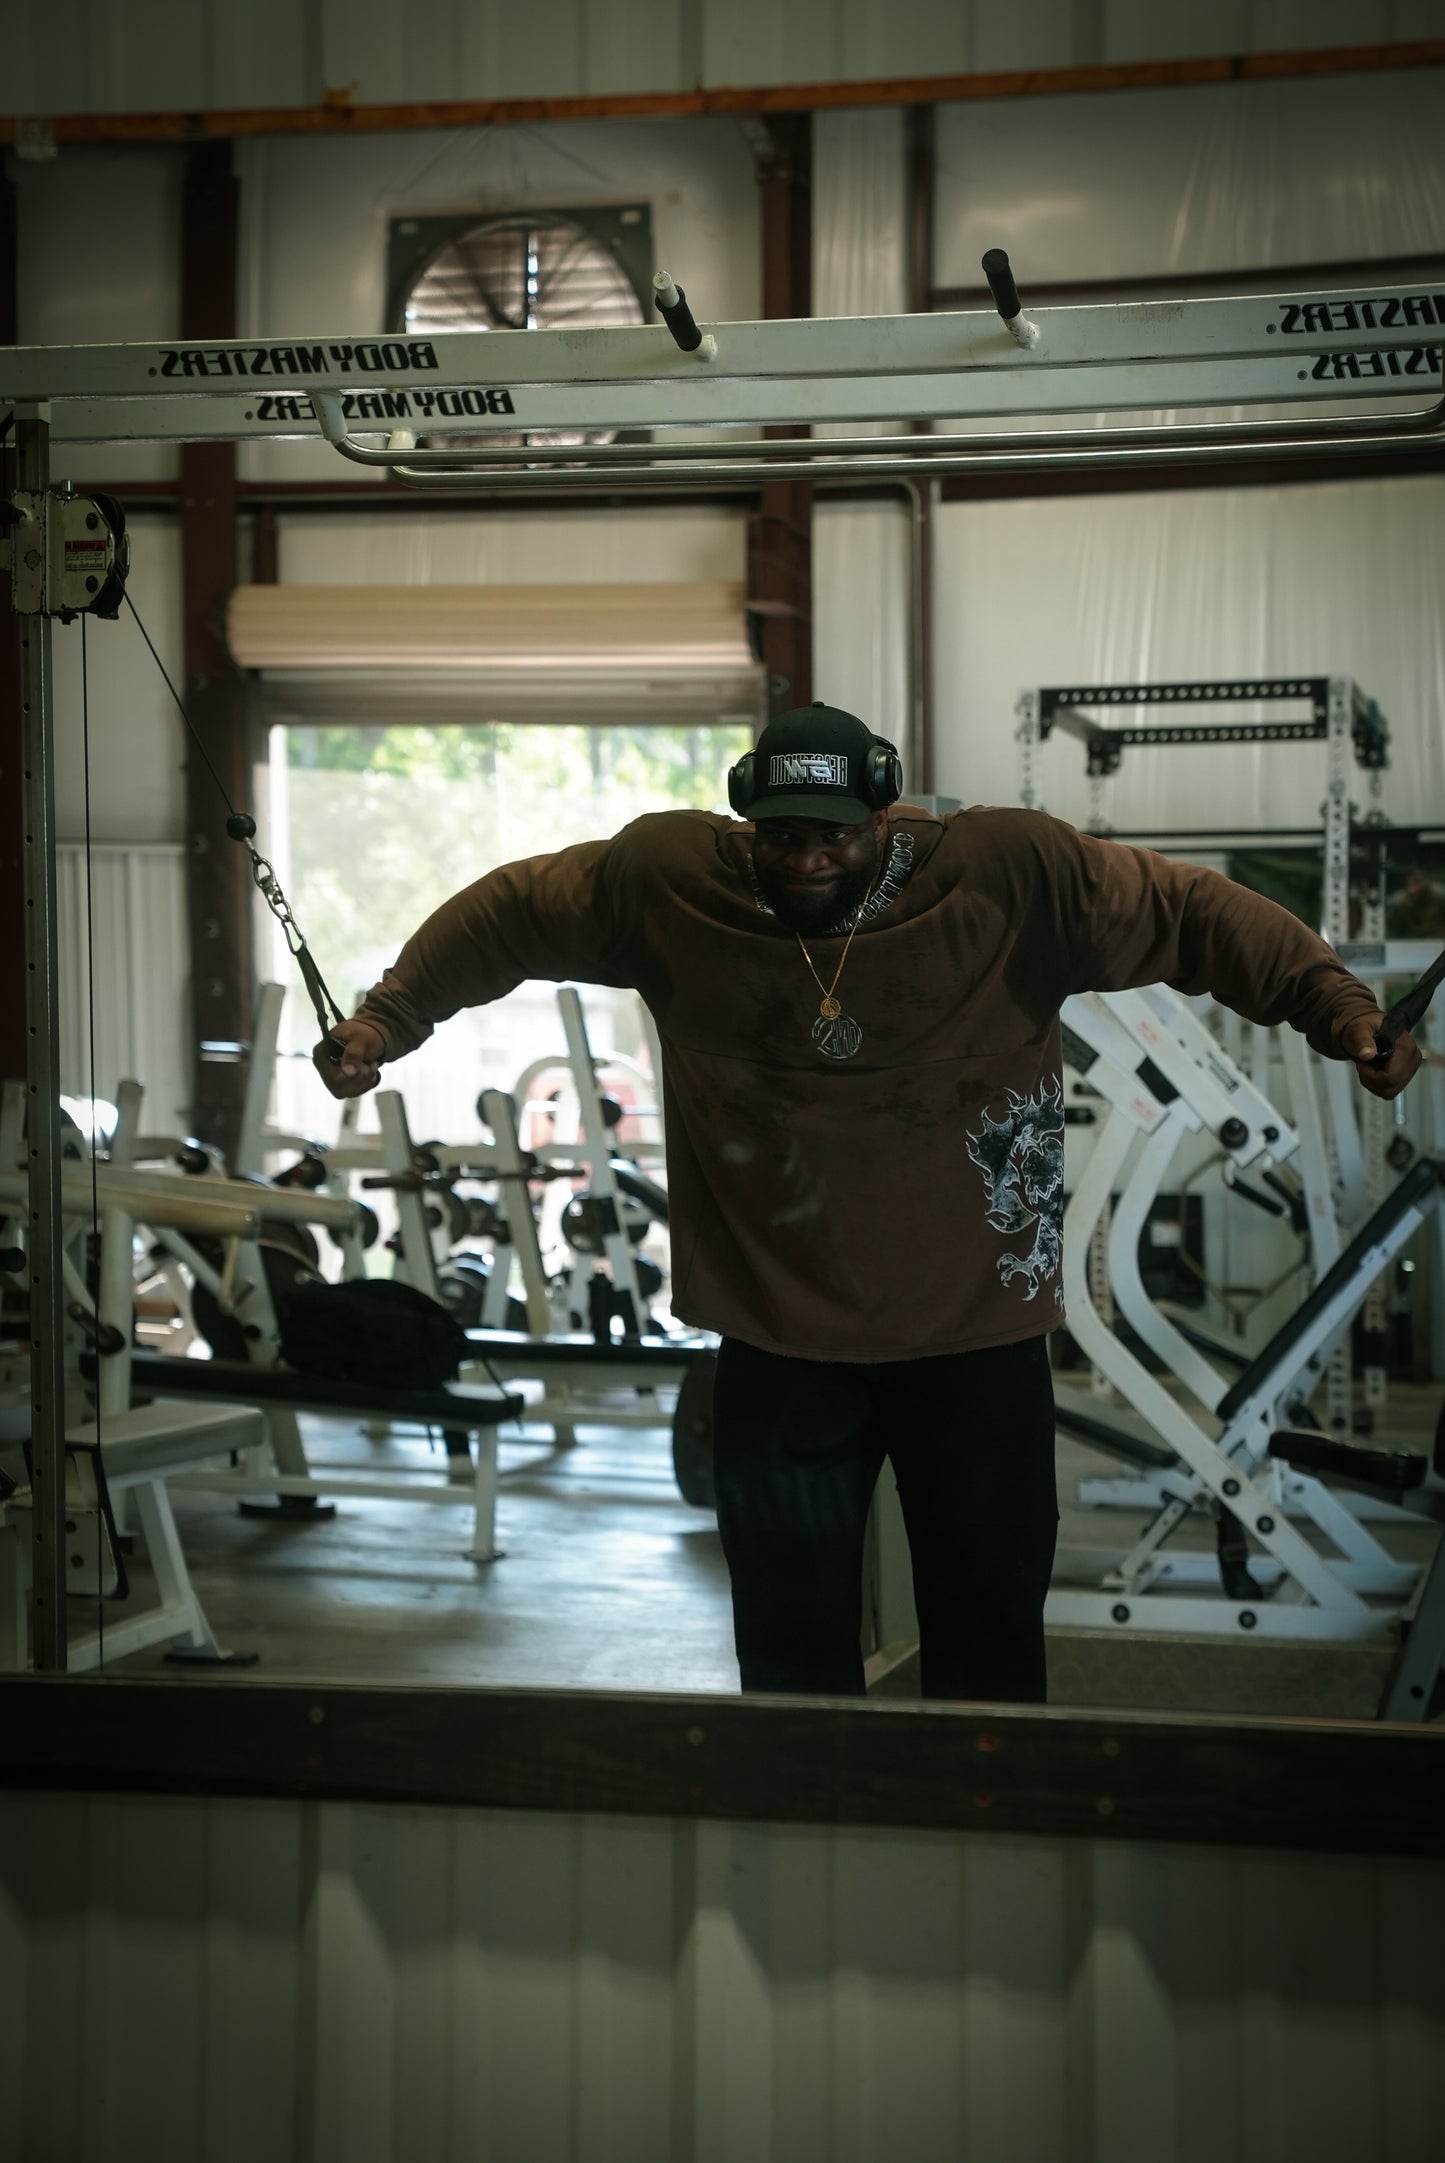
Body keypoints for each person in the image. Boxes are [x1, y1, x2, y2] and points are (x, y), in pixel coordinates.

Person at [314, 704, 1422, 1704]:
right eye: (781, 834)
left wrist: (1337, 1011)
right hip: (777, 1343)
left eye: (831, 834)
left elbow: (1191, 916)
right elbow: (507, 915)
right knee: (790, 1661)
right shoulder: (666, 883)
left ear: (882, 816)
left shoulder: (1008, 876)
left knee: (987, 1652)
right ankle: (805, 1877)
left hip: (977, 1345)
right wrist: (386, 1021)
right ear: (746, 819)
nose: (803, 857)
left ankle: (986, 1861)